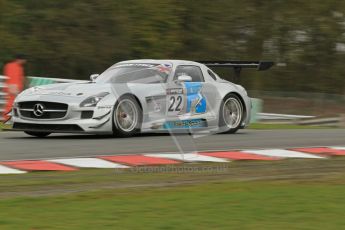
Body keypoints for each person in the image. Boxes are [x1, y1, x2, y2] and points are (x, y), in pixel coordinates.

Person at [2, 54, 27, 121]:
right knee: (10, 104)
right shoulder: (14, 66)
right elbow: (13, 78)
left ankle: (10, 119)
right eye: (24, 59)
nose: (25, 61)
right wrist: (14, 89)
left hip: (14, 88)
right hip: (13, 89)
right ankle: (7, 119)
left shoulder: (14, 66)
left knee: (12, 105)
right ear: (20, 59)